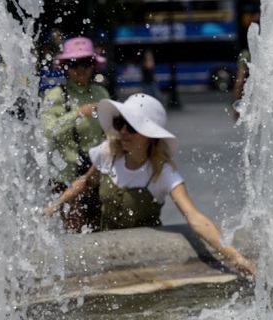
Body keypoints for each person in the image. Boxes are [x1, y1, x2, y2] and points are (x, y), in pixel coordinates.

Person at [44, 93, 256, 277]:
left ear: (150, 136)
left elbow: (194, 217)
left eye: (132, 127)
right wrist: (55, 205)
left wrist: (235, 257)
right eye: (119, 123)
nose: (123, 132)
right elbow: (86, 182)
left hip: (146, 259)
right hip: (106, 254)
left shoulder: (162, 173)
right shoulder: (108, 154)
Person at [41, 36, 111, 233]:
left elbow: (110, 132)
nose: (81, 69)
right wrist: (78, 113)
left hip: (96, 174)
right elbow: (48, 130)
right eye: (74, 64)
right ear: (65, 67)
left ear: (93, 65)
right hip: (67, 177)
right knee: (75, 232)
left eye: (86, 63)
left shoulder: (101, 93)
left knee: (101, 228)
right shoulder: (55, 95)